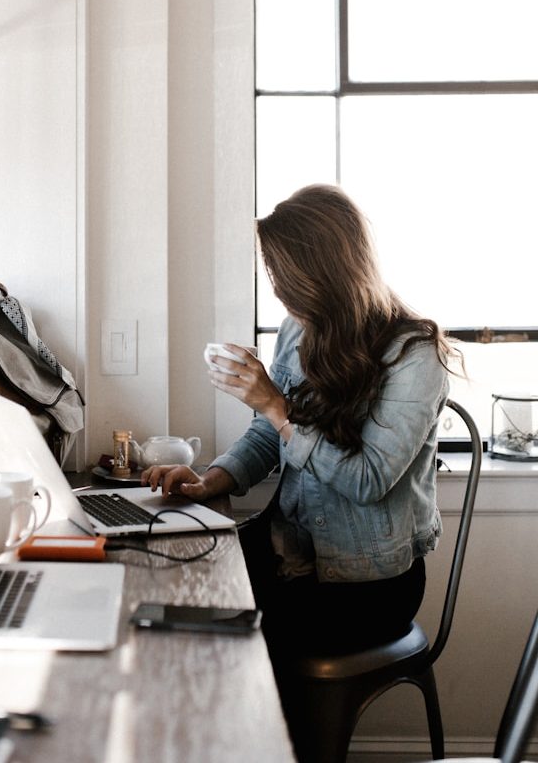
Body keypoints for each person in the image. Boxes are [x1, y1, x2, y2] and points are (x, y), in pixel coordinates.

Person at [142, 184, 461, 739]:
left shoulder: (415, 354)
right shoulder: (299, 331)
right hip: (291, 550)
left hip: (367, 585)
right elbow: (271, 432)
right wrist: (211, 478)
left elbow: (368, 480)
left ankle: (258, 747)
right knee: (171, 583)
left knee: (228, 638)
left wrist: (274, 403)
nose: (278, 292)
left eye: (283, 278)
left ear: (324, 271)